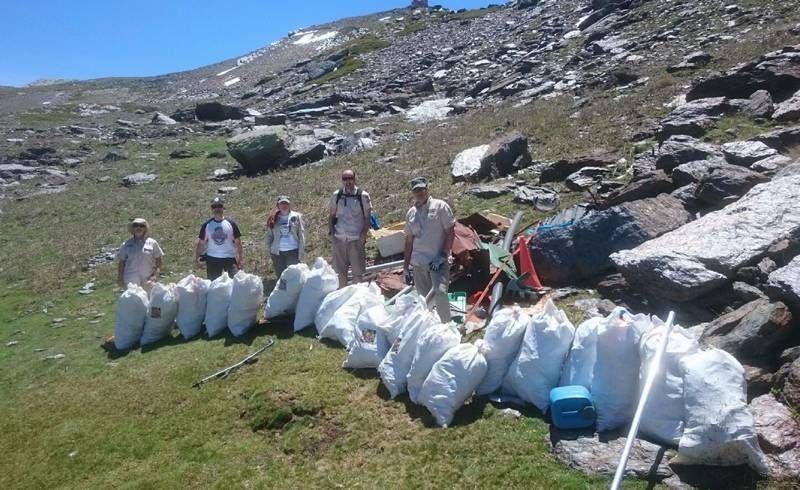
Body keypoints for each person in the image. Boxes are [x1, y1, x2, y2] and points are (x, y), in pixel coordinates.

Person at [403, 177, 455, 323]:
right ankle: (430, 328)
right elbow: (408, 240)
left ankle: (446, 326)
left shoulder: (440, 206)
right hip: (419, 263)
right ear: (412, 193)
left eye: (422, 189)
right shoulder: (411, 213)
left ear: (427, 189)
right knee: (424, 299)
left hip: (437, 261)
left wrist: (444, 254)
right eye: (416, 190)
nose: (419, 193)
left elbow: (450, 232)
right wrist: (406, 266)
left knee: (441, 293)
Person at [329, 169, 372, 287]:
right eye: (345, 179)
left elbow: (367, 218)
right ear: (342, 180)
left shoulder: (363, 196)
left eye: (350, 178)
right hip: (340, 239)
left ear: (354, 179)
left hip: (356, 239)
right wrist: (332, 234)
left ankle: (357, 299)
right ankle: (342, 298)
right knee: (339, 273)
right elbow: (332, 216)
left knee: (357, 273)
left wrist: (363, 236)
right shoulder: (336, 195)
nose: (348, 181)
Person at [194, 197, 243, 280]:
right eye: (214, 207)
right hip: (212, 259)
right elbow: (201, 243)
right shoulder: (207, 225)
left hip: (229, 258)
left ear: (223, 208)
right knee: (213, 284)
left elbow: (238, 243)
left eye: (219, 206)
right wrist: (197, 257)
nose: (217, 209)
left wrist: (240, 259)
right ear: (211, 209)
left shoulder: (231, 224)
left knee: (235, 282)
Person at [117, 218, 163, 290]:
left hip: (148, 279)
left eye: (141, 226)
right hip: (131, 280)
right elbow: (121, 262)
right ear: (133, 229)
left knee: (149, 299)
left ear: (145, 228)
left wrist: (155, 275)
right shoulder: (126, 244)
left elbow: (159, 260)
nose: (139, 228)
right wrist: (120, 278)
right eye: (136, 225)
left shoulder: (153, 243)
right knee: (132, 300)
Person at [266, 195, 305, 277]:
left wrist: (301, 252)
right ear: (278, 205)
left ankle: (294, 289)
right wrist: (270, 249)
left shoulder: (297, 216)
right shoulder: (273, 218)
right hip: (277, 252)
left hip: (293, 251)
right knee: (281, 276)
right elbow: (269, 236)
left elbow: (301, 235)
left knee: (294, 275)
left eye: (286, 203)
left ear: (289, 205)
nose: (284, 206)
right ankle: (282, 289)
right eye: (281, 203)